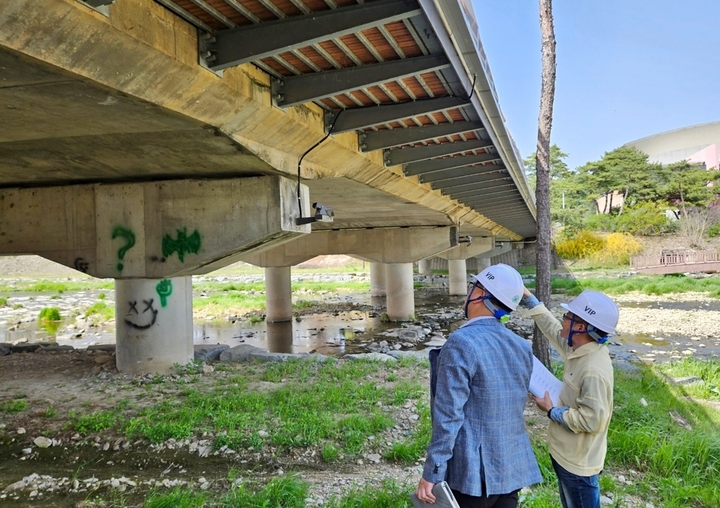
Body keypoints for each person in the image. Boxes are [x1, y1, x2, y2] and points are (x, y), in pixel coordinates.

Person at [415, 263, 542, 507]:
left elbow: (448, 416)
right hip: (510, 468)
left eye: (473, 287)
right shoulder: (521, 346)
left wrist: (433, 473)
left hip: (471, 475)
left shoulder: (460, 342)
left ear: (480, 295)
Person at [521, 287, 620, 508]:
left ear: (580, 326)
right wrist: (529, 298)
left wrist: (551, 410)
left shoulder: (593, 369)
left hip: (578, 464)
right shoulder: (580, 347)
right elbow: (553, 329)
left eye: (566, 316)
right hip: (564, 454)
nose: (562, 320)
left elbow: (592, 421)